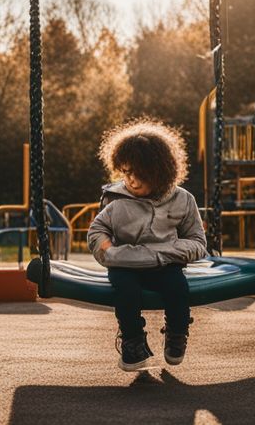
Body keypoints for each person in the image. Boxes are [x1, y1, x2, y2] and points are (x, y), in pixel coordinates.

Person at [87, 119, 207, 371]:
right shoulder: (115, 198)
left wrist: (164, 253)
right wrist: (108, 250)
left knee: (177, 288)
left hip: (165, 265)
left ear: (159, 171)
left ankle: (176, 333)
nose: (131, 180)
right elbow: (98, 231)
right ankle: (133, 341)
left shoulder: (182, 200)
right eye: (126, 172)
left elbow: (198, 242)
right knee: (125, 290)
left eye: (138, 173)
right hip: (125, 265)